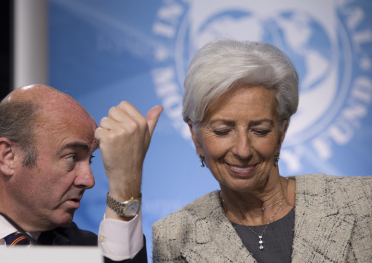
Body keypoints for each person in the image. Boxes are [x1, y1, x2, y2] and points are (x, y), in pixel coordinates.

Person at [152, 39, 372, 262]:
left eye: (260, 130)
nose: (243, 150)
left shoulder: (363, 201)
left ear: (281, 132)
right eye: (222, 131)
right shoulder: (174, 236)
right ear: (196, 137)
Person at [0, 84, 163, 263]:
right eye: (71, 158)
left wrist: (125, 186)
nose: (89, 180)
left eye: (89, 160)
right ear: (8, 157)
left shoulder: (87, 252)